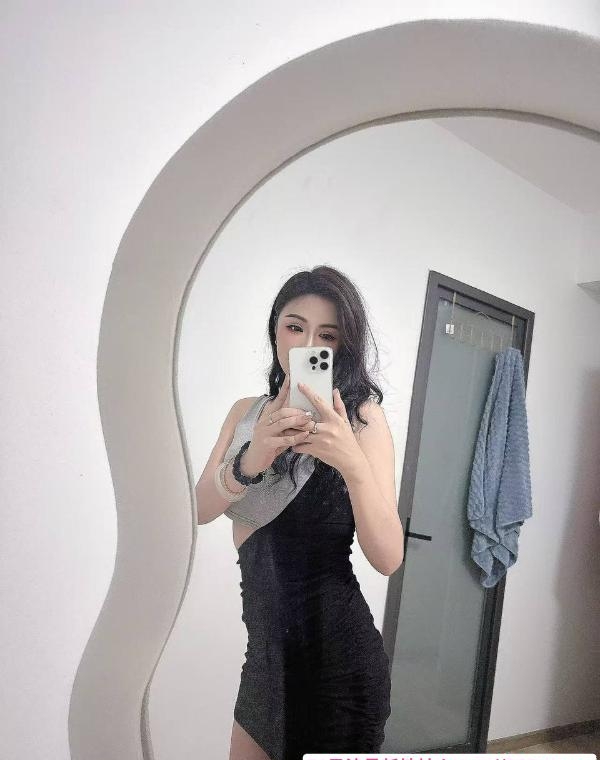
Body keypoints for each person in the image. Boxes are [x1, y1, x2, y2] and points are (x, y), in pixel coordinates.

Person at [196, 265, 404, 760]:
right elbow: (199, 509)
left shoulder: (363, 420)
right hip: (264, 661)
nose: (307, 344)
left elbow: (388, 558)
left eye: (326, 335)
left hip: (339, 666)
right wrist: (251, 459)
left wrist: (352, 463)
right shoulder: (245, 414)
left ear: (343, 345)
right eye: (295, 327)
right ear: (275, 330)